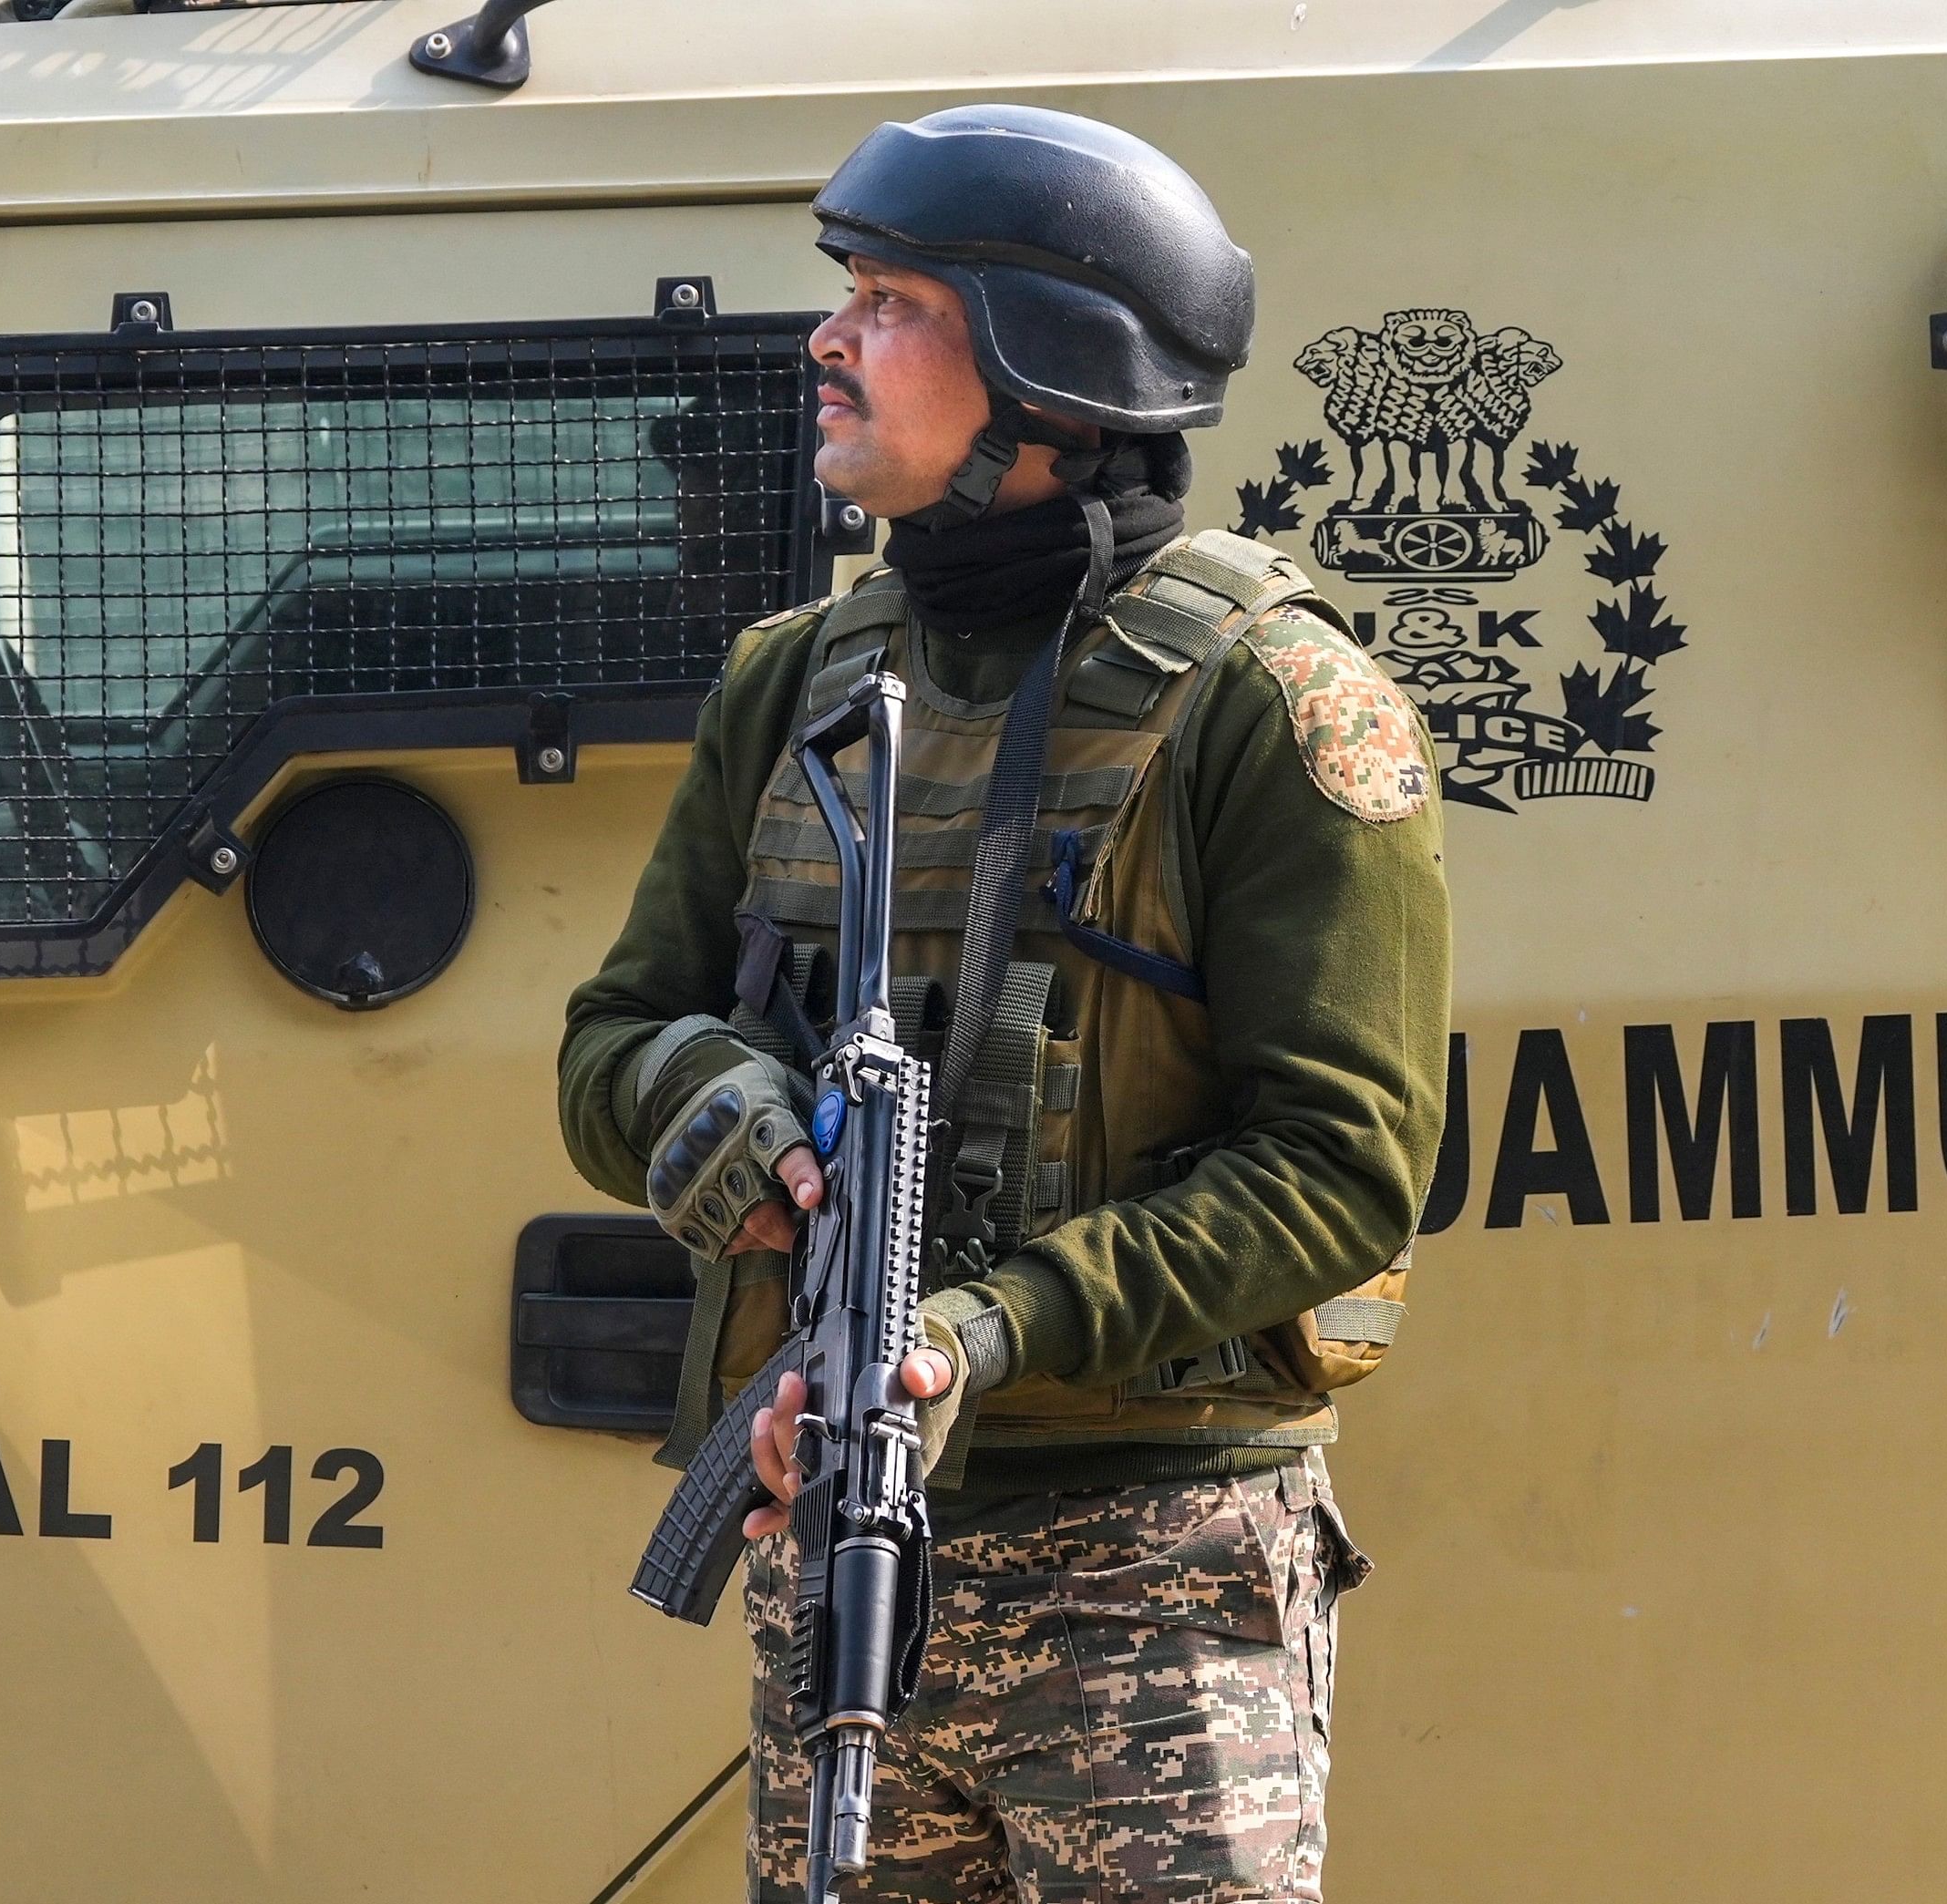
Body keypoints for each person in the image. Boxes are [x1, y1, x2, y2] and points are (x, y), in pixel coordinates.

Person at [558, 103, 1452, 1903]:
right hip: (846, 1538)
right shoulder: (790, 683)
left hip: (1151, 1567)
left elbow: (1345, 1167)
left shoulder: (1272, 705)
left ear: (1054, 373)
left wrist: (979, 1328)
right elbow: (610, 1042)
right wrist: (720, 1115)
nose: (827, 338)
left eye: (889, 300)